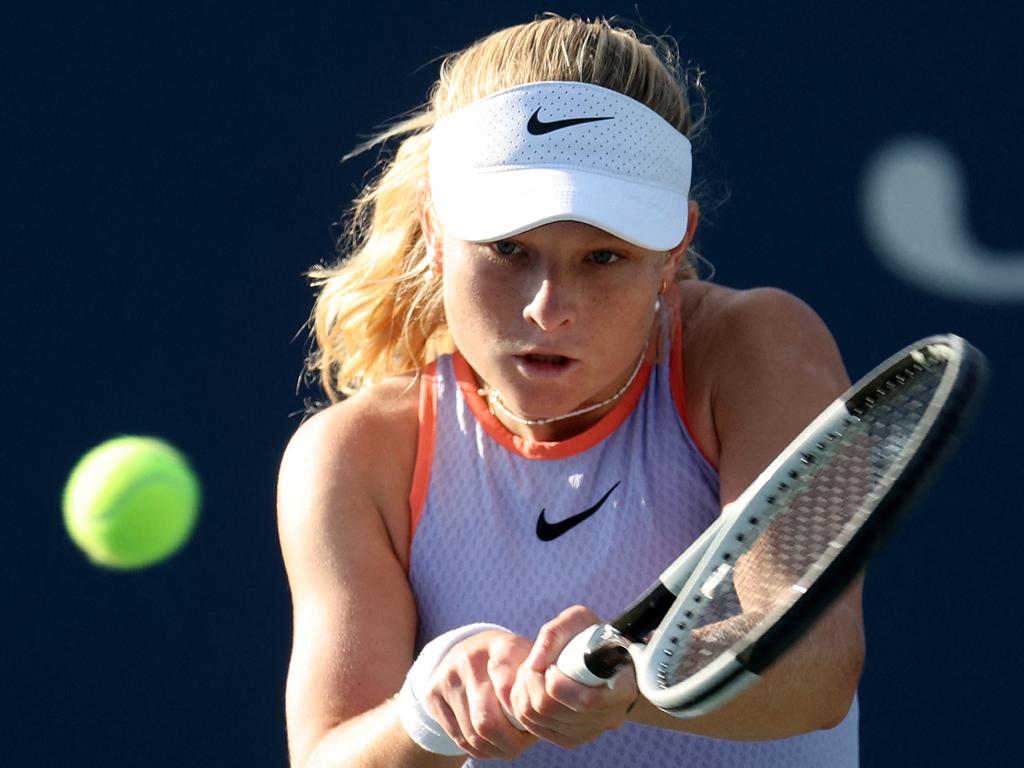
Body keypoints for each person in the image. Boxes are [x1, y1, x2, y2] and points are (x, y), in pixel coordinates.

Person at [277, 14, 864, 768]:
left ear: (673, 249)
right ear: (434, 231)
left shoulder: (759, 350)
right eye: (508, 249)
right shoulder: (357, 457)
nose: (548, 307)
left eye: (602, 257)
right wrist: (428, 708)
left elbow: (817, 666)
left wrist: (627, 680)